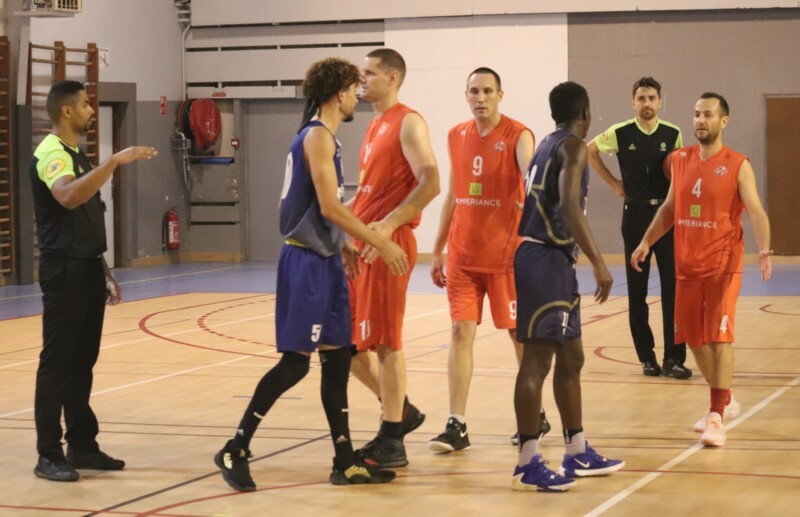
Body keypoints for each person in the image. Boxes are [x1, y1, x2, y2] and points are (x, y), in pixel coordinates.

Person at [214, 58, 407, 491]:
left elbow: (320, 212)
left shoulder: (325, 138)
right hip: (305, 264)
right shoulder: (317, 136)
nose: (357, 95)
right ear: (338, 93)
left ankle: (344, 462)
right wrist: (380, 242)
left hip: (326, 260)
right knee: (295, 365)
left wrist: (344, 245)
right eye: (353, 88)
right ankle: (235, 448)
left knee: (337, 361)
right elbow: (330, 208)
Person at [30, 80, 157, 481]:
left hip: (86, 268)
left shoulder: (76, 155)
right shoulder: (51, 152)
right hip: (63, 270)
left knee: (82, 362)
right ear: (66, 111)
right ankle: (48, 454)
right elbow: (67, 197)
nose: (90, 109)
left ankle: (82, 446)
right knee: (58, 364)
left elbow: (83, 220)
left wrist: (104, 272)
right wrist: (113, 162)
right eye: (85, 104)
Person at [632, 92, 772, 448]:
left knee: (719, 337)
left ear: (723, 121)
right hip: (687, 267)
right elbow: (669, 208)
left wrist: (764, 250)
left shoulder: (738, 164)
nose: (700, 120)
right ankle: (726, 399)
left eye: (708, 115)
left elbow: (756, 211)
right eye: (696, 114)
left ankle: (715, 415)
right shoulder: (680, 159)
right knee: (693, 340)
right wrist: (646, 241)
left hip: (723, 266)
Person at [427, 67, 550, 453]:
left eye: (487, 91)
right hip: (463, 256)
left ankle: (536, 414)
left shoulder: (519, 135)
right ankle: (457, 423)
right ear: (466, 96)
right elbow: (453, 194)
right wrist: (438, 248)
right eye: (473, 92)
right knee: (460, 332)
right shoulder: (456, 135)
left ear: (500, 95)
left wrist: (536, 216)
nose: (480, 98)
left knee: (517, 336)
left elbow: (533, 180)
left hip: (506, 257)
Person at [512, 81, 624, 492]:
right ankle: (527, 463)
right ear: (586, 114)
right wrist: (599, 261)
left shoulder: (547, 143)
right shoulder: (574, 146)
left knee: (572, 357)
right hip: (544, 258)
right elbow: (568, 205)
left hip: (553, 259)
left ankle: (576, 450)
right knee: (537, 362)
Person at [347, 48, 440, 468]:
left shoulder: (408, 121)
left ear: (392, 78)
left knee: (386, 342)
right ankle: (401, 411)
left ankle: (392, 440)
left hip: (388, 244)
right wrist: (334, 219)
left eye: (369, 73)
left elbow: (431, 181)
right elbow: (367, 194)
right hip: (361, 245)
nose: (361, 80)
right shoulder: (373, 124)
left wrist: (386, 227)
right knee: (348, 345)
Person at [587, 77, 691, 379]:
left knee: (673, 289)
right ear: (633, 103)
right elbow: (589, 150)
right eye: (641, 98)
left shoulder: (673, 133)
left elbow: (679, 170)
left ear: (660, 102)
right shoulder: (620, 132)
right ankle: (647, 357)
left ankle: (674, 358)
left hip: (666, 216)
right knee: (637, 291)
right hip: (634, 215)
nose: (647, 103)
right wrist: (613, 183)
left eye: (652, 98)